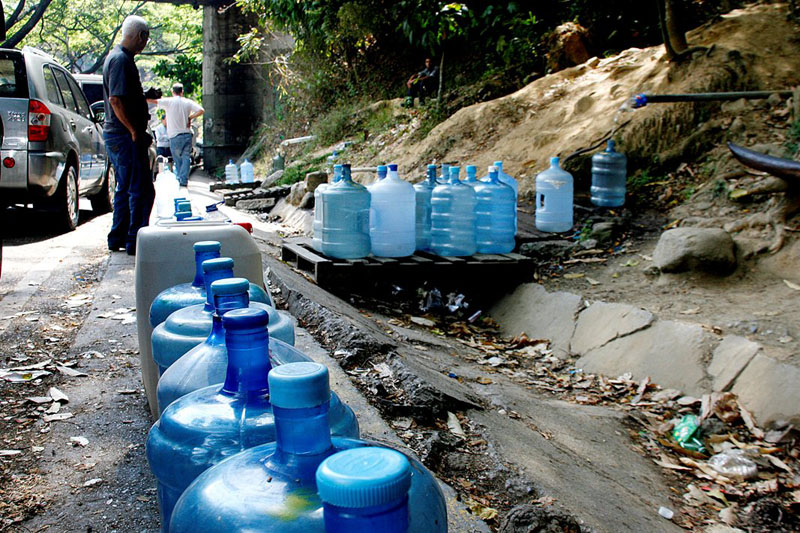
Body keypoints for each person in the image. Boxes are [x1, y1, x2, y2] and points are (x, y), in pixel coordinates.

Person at [103, 15, 158, 256]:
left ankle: (120, 237)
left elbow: (123, 95)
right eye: (145, 39)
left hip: (121, 134)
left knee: (126, 187)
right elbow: (115, 100)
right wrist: (134, 130)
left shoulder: (120, 59)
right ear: (140, 37)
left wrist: (144, 95)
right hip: (123, 135)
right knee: (141, 190)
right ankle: (135, 239)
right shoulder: (120, 60)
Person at [150, 83, 203, 187]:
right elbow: (201, 110)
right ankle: (184, 180)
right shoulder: (188, 102)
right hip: (187, 134)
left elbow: (154, 101)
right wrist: (190, 117)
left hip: (174, 136)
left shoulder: (168, 101)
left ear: (172, 92)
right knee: (186, 157)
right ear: (182, 92)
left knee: (177, 159)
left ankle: (179, 178)